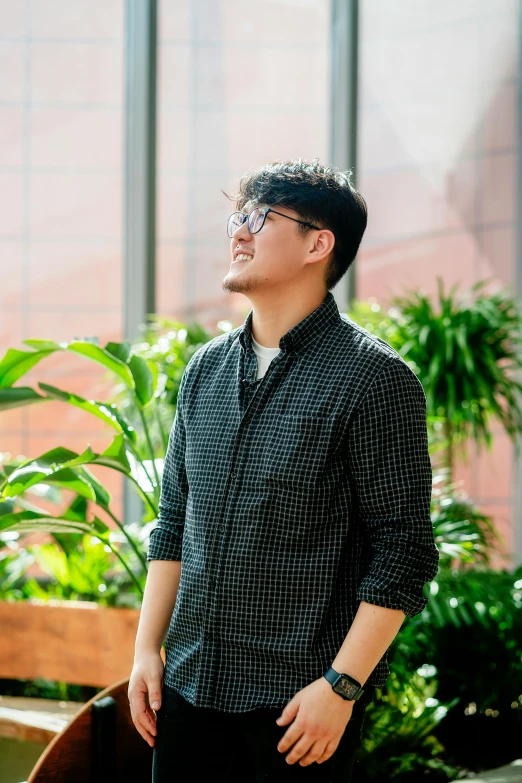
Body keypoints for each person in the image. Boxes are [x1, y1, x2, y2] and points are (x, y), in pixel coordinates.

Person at [128, 158, 440, 781]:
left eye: (261, 218)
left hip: (298, 709)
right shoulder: (204, 372)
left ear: (318, 244)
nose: (238, 233)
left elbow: (404, 552)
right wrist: (145, 652)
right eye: (237, 218)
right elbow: (173, 524)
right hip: (185, 688)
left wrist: (341, 687)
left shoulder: (374, 379)